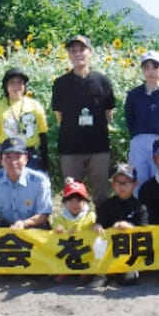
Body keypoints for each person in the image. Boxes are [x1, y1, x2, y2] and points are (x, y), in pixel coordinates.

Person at [51, 34, 116, 204]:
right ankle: (73, 228)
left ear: (90, 52)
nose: (78, 54)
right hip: (70, 148)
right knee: (72, 195)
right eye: (73, 50)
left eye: (82, 49)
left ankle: (101, 226)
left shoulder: (103, 81)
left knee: (101, 195)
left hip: (98, 148)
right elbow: (59, 116)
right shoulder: (60, 84)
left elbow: (108, 114)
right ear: (69, 55)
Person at [124, 50, 159, 192]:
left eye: (155, 67)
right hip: (139, 143)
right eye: (146, 67)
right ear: (142, 70)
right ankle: (140, 213)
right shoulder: (134, 95)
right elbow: (129, 119)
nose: (150, 71)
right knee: (138, 183)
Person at [0, 67, 49, 173]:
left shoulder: (35, 106)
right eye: (12, 83)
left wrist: (45, 161)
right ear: (6, 86)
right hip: (8, 155)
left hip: (30, 154)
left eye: (19, 83)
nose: (16, 86)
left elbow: (43, 135)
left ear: (24, 86)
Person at [0, 136, 53, 229]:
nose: (13, 162)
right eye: (8, 157)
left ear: (26, 159)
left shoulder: (40, 180)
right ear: (1, 159)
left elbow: (43, 214)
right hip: (5, 227)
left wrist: (24, 224)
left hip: (33, 227)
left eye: (18, 157)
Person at [94, 164, 148, 286]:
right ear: (113, 185)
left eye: (126, 182)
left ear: (135, 184)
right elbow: (99, 223)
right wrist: (97, 226)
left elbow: (145, 231)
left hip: (130, 254)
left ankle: (126, 272)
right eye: (118, 182)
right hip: (108, 253)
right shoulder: (106, 205)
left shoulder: (140, 207)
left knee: (128, 281)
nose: (122, 186)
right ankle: (104, 274)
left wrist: (130, 228)